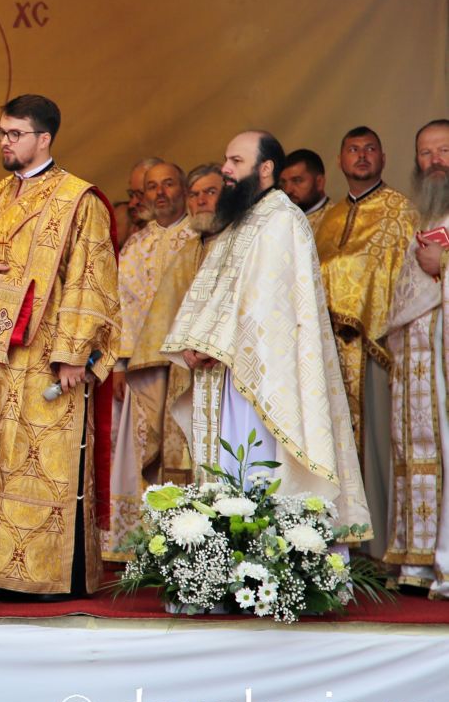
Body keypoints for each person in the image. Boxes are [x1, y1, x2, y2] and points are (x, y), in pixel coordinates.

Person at [0, 95, 119, 596]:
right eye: (1, 133)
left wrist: (74, 354)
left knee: (41, 461)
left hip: (46, 355)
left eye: (15, 134)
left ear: (43, 139)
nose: (4, 142)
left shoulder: (78, 200)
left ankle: (44, 574)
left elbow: (92, 278)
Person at [163, 131, 370, 538]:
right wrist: (192, 341)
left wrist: (210, 343)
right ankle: (225, 552)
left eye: (235, 161)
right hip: (226, 368)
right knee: (229, 466)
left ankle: (261, 552)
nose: (226, 169)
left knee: (256, 462)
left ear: (266, 168)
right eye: (226, 159)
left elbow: (267, 302)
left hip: (263, 377)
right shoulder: (240, 220)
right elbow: (210, 291)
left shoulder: (281, 219)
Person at [313, 125, 417, 555]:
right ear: (339, 161)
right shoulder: (327, 217)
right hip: (328, 352)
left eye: (369, 149)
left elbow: (401, 276)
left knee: (376, 442)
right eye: (352, 149)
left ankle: (379, 548)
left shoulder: (401, 211)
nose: (361, 156)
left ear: (382, 157)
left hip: (373, 345)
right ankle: (338, 544)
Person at [108, 159, 194, 554]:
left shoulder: (201, 237)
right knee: (144, 453)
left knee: (187, 450)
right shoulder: (136, 244)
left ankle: (187, 540)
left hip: (189, 366)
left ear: (183, 188)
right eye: (152, 186)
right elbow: (120, 307)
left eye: (169, 184)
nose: (161, 193)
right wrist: (120, 364)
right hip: (142, 369)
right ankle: (144, 543)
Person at [381, 120, 449, 591]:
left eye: (444, 150)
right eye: (426, 153)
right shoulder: (422, 219)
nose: (435, 162)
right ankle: (417, 560)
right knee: (416, 450)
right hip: (419, 363)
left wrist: (442, 264)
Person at [280, 149, 331, 232]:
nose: (287, 190)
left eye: (297, 180)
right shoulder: (279, 218)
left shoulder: (336, 221)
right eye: (283, 182)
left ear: (319, 183)